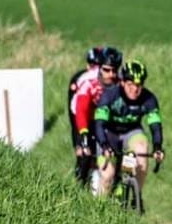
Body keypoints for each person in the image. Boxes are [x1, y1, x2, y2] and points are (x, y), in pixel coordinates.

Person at [93, 60, 165, 200]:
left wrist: (157, 147)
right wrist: (104, 145)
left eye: (139, 85)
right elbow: (99, 124)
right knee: (108, 175)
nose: (135, 89)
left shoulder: (149, 99)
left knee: (142, 151)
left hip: (132, 132)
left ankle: (136, 197)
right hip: (109, 133)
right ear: (122, 82)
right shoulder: (110, 96)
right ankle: (98, 210)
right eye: (130, 84)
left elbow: (155, 126)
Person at [73, 47, 122, 191]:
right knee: (85, 152)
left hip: (106, 121)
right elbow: (80, 110)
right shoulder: (88, 82)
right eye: (107, 70)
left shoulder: (120, 83)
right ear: (100, 68)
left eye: (114, 70)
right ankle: (80, 187)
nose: (111, 75)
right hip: (85, 119)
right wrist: (83, 133)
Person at [69, 47, 105, 186]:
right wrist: (78, 141)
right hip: (80, 114)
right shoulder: (81, 79)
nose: (94, 69)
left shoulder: (110, 79)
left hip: (101, 118)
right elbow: (76, 112)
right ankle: (80, 184)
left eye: (98, 66)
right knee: (84, 152)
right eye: (92, 65)